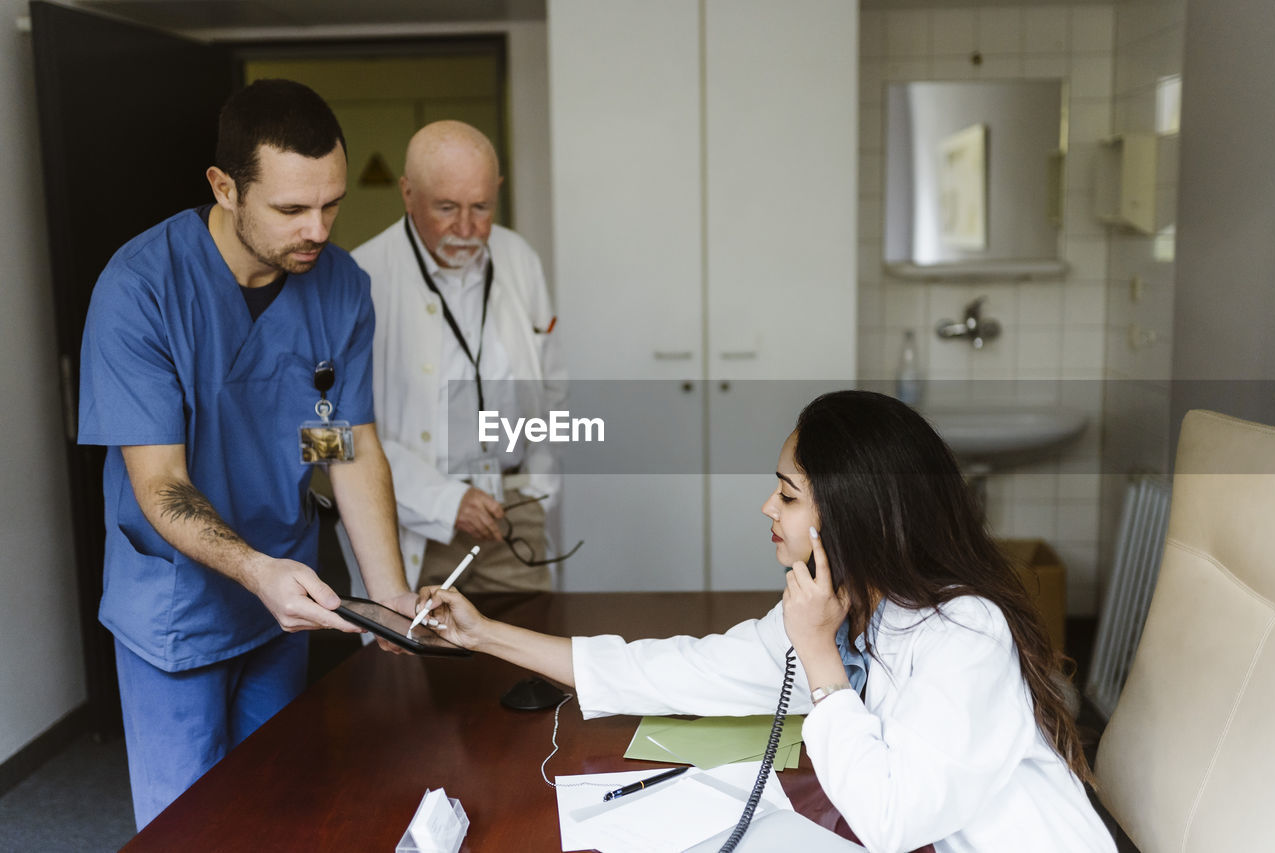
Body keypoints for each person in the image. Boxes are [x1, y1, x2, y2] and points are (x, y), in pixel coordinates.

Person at [416, 391, 1117, 853]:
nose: (766, 509)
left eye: (786, 493)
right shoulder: (844, 608)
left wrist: (817, 658)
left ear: (852, 511)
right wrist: (482, 634)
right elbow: (671, 669)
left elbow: (893, 818)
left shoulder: (964, 631)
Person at [77, 79, 415, 829]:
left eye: (332, 204)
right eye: (292, 209)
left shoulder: (339, 287)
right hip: (180, 601)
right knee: (191, 826)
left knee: (279, 805)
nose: (319, 229)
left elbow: (341, 446)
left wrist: (390, 598)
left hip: (285, 601)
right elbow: (160, 482)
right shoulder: (140, 290)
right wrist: (258, 570)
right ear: (225, 187)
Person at [351, 120, 566, 594]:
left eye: (482, 207)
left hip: (513, 512)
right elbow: (344, 432)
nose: (466, 228)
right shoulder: (360, 278)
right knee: (419, 662)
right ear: (407, 193)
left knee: (531, 660)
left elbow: (551, 386)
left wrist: (538, 487)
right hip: (416, 525)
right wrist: (444, 502)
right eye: (446, 208)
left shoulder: (520, 259)